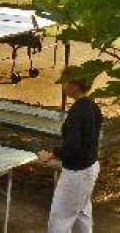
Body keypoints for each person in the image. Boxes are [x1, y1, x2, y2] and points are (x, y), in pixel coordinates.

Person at [37, 66, 103, 233]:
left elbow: (72, 147)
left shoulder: (77, 112)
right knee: (82, 213)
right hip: (91, 167)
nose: (63, 85)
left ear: (74, 85)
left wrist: (51, 154)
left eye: (65, 81)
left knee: (60, 218)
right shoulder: (92, 106)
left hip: (77, 173)